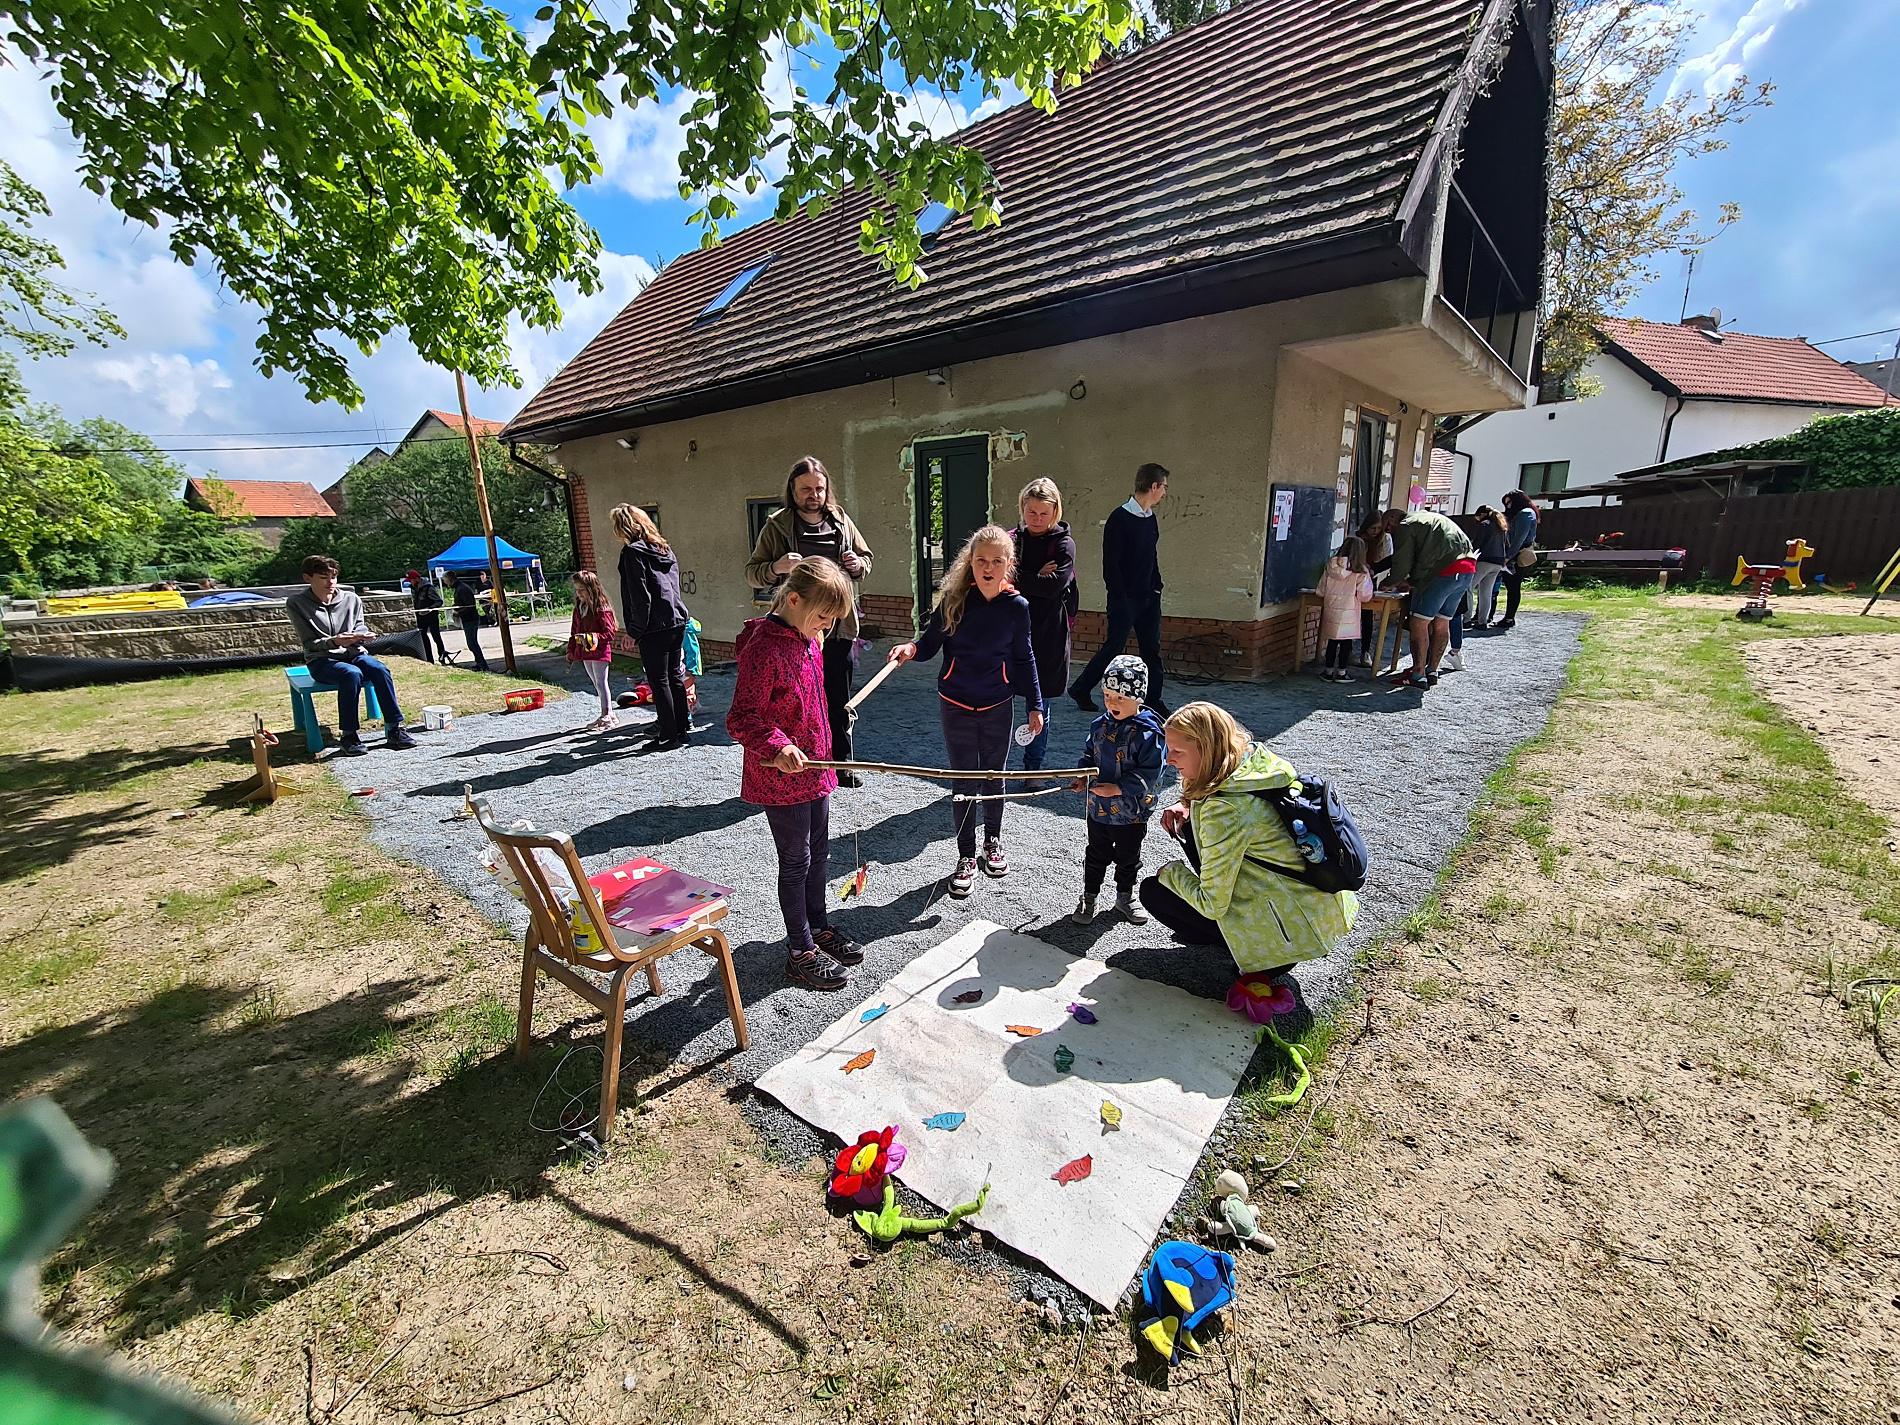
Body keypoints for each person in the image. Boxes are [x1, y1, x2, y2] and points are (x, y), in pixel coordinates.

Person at [726, 558, 865, 992]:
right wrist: (777, 745)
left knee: (820, 853)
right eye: (823, 616)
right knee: (796, 859)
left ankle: (819, 927)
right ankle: (800, 950)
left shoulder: (809, 638)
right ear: (793, 599)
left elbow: (805, 698)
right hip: (780, 775)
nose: (826, 625)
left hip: (816, 768)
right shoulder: (764, 648)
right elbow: (742, 718)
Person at [1139, 703, 1355, 978]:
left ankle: (1257, 952)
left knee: (1154, 891)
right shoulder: (1251, 762)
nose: (1168, 759)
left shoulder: (1225, 811)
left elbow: (1211, 903)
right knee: (1193, 829)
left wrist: (1171, 872)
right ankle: (1255, 943)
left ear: (1206, 749)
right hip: (1313, 911)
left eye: (1178, 751)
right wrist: (1189, 805)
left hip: (1285, 936)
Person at [890, 525, 1045, 899]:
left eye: (996, 561)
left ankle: (992, 842)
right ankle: (964, 857)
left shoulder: (1017, 608)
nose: (988, 567)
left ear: (1008, 564)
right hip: (956, 703)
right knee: (963, 781)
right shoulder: (954, 600)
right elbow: (928, 645)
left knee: (994, 776)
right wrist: (909, 649)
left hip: (997, 703)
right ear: (969, 563)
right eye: (980, 560)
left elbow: (1025, 658)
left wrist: (1035, 704)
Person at [745, 456, 874, 786]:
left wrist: (856, 563)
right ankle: (800, 761)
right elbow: (752, 573)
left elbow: (867, 559)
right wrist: (777, 567)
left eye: (819, 488)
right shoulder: (777, 525)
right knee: (798, 701)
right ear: (793, 489)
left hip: (839, 627)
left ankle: (841, 763)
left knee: (838, 698)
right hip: (796, 631)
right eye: (806, 489)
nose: (813, 495)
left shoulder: (840, 520)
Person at [286, 554, 417, 755]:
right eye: (323, 577)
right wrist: (334, 641)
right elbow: (309, 644)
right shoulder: (297, 603)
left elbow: (359, 626)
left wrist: (361, 636)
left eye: (334, 577)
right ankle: (349, 735)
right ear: (307, 578)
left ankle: (394, 728)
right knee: (351, 674)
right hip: (322, 660)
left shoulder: (351, 599)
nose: (330, 582)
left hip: (354, 652)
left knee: (379, 669)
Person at [1070, 654, 1165, 925]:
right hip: (1098, 808)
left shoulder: (1150, 733)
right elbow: (1090, 755)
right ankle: (1089, 896)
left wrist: (1120, 788)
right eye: (1108, 695)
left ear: (1138, 698)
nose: (1112, 703)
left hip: (1132, 812)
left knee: (1128, 857)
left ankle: (1125, 896)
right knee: (1095, 853)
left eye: (1120, 698)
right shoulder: (1099, 725)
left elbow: (1152, 773)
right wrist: (1083, 777)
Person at [1069, 462, 1169, 715]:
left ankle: (1153, 699)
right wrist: (1120, 597)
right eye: (1164, 487)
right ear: (1153, 486)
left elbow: (1151, 556)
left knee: (1152, 649)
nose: (1165, 493)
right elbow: (1110, 564)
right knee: (1114, 646)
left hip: (1149, 596)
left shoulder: (1150, 519)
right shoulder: (1120, 518)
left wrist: (1157, 587)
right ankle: (1081, 688)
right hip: (1125, 598)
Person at [1010, 478, 1077, 772]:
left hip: (1048, 632)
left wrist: (1020, 576)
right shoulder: (1012, 540)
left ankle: (1033, 767)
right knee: (999, 698)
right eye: (1031, 512)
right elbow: (998, 576)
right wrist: (1035, 575)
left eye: (1043, 513)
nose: (1036, 519)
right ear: (1023, 509)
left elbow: (1053, 587)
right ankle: (992, 765)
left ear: (1055, 512)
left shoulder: (1063, 544)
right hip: (1011, 629)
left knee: (1039, 706)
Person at [613, 504, 692, 748]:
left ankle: (668, 735)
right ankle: (681, 727)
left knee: (659, 681)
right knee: (674, 676)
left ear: (623, 527)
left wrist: (634, 631)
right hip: (676, 620)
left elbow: (641, 596)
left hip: (654, 626)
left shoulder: (632, 553)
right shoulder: (664, 549)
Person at [1381, 506, 1476, 689]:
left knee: (1419, 621)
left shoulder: (1406, 525)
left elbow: (1402, 562)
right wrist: (1413, 580)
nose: (1388, 533)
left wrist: (1391, 582)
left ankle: (1417, 674)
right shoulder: (1430, 518)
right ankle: (1432, 670)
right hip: (1467, 569)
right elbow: (1429, 553)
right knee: (1442, 621)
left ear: (1392, 519)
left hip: (1444, 572)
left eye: (1387, 528)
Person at [566, 570, 618, 731]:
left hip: (600, 651)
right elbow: (574, 632)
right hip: (585, 651)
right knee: (596, 683)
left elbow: (609, 633)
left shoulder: (602, 608)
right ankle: (609, 713)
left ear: (591, 588)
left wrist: (593, 637)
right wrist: (571, 650)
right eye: (576, 589)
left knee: (602, 683)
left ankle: (606, 715)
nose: (578, 593)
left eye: (581, 589)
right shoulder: (579, 607)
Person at [1318, 536, 1374, 682]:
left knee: (1332, 641)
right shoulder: (1360, 571)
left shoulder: (1331, 566)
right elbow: (1365, 595)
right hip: (1349, 611)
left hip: (1332, 608)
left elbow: (1321, 590)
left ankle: (1328, 671)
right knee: (1345, 643)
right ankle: (1342, 672)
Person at [1497, 489, 1540, 630]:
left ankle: (1509, 618)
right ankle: (1509, 617)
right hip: (1516, 554)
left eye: (1509, 503)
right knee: (1512, 587)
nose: (1507, 506)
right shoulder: (1526, 513)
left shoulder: (1525, 514)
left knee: (1514, 586)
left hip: (1519, 555)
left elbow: (1519, 538)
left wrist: (1508, 557)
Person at [1356, 514, 1395, 668]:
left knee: (1367, 617)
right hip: (1354, 579)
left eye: (1379, 529)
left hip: (1371, 580)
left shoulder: (1383, 540)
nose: (1376, 531)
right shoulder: (1357, 538)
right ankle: (1349, 650)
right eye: (1373, 528)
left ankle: (1365, 651)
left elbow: (1386, 560)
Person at [1468, 507, 1512, 631]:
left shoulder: (1485, 525)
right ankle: (1482, 621)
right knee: (1486, 593)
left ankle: (1466, 619)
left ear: (1482, 514)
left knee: (1468, 588)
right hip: (1498, 562)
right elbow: (1507, 544)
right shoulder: (1501, 526)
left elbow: (1477, 543)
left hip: (1484, 560)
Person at [407, 567, 451, 664]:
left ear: (417, 578)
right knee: (423, 637)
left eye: (411, 580)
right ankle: (429, 659)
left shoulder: (428, 588)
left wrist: (429, 609)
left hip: (431, 616)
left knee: (436, 636)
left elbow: (439, 601)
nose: (410, 582)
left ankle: (442, 655)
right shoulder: (413, 588)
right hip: (420, 616)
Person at [451, 575, 490, 671]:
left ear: (450, 579)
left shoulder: (462, 589)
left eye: (445, 580)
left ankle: (482, 664)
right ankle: (480, 663)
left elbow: (470, 605)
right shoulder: (460, 588)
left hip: (470, 619)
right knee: (472, 643)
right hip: (468, 618)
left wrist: (458, 612)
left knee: (472, 643)